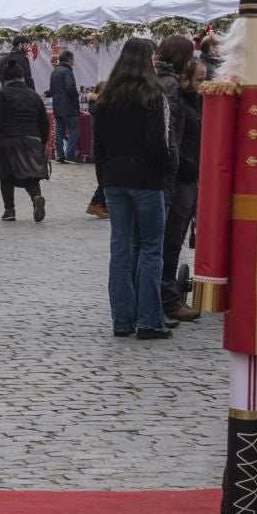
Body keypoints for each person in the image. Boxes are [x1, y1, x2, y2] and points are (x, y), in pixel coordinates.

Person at [90, 38, 175, 338]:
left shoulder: (107, 97)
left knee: (120, 249)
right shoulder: (152, 96)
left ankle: (122, 320)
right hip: (145, 178)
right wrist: (166, 168)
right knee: (151, 247)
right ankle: (149, 320)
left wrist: (103, 180)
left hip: (115, 178)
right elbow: (158, 143)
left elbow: (99, 147)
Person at [162, 58, 205, 323]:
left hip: (189, 177)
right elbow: (175, 139)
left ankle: (168, 295)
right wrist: (188, 165)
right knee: (171, 240)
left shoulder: (195, 102)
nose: (204, 84)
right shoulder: (179, 101)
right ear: (185, 79)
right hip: (181, 177)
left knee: (175, 240)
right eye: (200, 79)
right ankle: (168, 298)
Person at [0, 59, 50, 222]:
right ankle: (36, 197)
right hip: (32, 139)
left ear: (5, 79)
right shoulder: (34, 95)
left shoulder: (3, 95)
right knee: (31, 175)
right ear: (22, 77)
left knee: (6, 176)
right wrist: (43, 141)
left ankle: (9, 210)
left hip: (7, 140)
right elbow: (44, 122)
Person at [49, 51, 80, 164]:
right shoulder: (67, 71)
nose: (73, 61)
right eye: (72, 59)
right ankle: (69, 155)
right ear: (69, 59)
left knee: (59, 131)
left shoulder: (55, 71)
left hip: (57, 106)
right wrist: (76, 96)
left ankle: (60, 155)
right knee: (74, 130)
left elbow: (52, 90)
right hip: (68, 106)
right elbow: (70, 88)